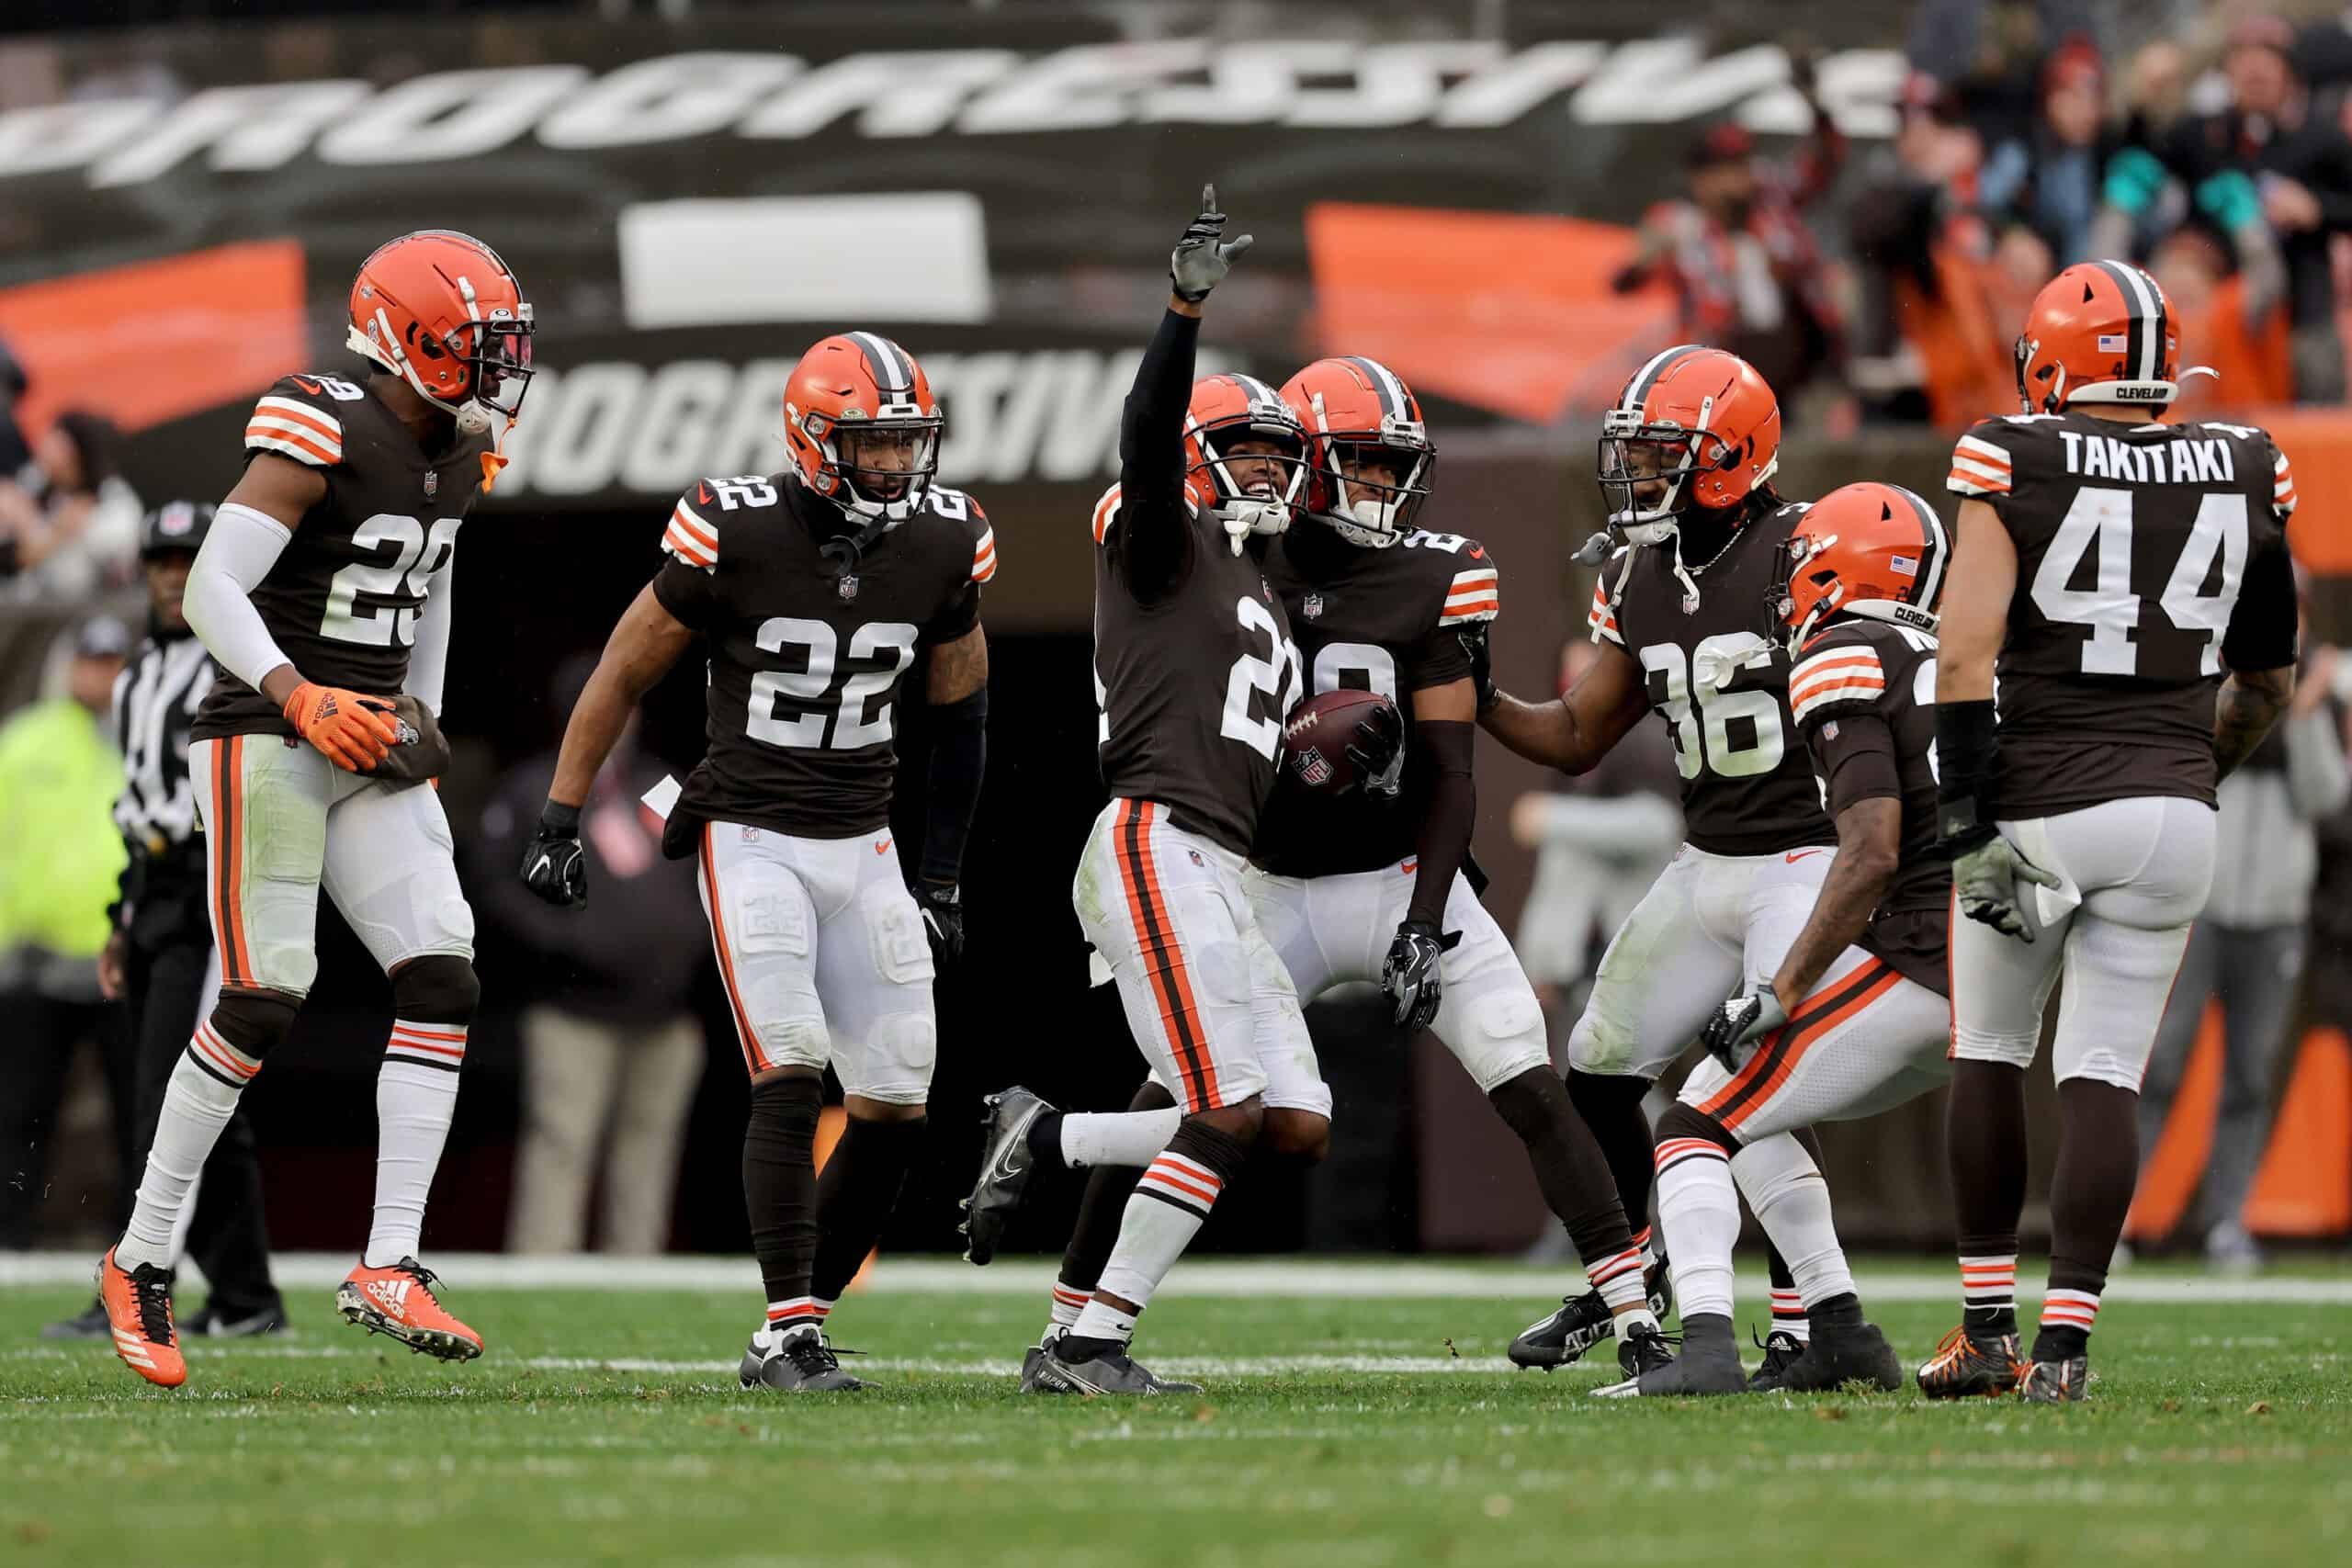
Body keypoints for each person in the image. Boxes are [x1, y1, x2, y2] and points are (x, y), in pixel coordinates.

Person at [963, 355, 1668, 1382]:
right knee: (1189, 1088)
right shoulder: (1225, 550)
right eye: (1367, 467)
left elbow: (1448, 768)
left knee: (1524, 1071)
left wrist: (1427, 916)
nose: (1387, 490)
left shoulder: (1435, 570)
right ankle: (1077, 1316)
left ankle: (1633, 1316)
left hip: (1392, 875)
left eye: (1396, 470)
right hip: (1263, 880)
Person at [518, 328, 993, 1393]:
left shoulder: (945, 538)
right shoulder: (733, 527)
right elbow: (622, 670)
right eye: (870, 446)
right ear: (814, 440)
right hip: (753, 837)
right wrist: (559, 815)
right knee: (787, 1063)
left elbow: (963, 712)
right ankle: (789, 1329)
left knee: (896, 1097)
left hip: (864, 839)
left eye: (906, 443)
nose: (893, 466)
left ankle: (797, 1323)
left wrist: (944, 872)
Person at [96, 230, 533, 1389]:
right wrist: (299, 695)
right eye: (473, 349)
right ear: (402, 336)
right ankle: (140, 1259)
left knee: (443, 970)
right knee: (266, 990)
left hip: (368, 738)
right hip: (265, 733)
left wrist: (421, 712)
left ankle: (390, 1259)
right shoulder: (321, 419)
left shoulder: (461, 445)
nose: (496, 372)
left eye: (501, 349)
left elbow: (426, 580)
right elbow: (209, 588)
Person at [968, 187, 1317, 1398]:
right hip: (1157, 839)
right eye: (1248, 453)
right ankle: (1087, 1338)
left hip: (1224, 862)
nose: (1268, 472)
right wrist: (1184, 309)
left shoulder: (1263, 582)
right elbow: (1143, 437)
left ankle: (1050, 1132)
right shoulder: (1163, 540)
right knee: (1222, 1104)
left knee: (1295, 1116)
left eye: (1283, 455)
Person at [1934, 259, 2301, 1401]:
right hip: (2171, 823)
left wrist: (1962, 816)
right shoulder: (2244, 463)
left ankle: (1986, 1330)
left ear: (2050, 360)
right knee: (2104, 1072)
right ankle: (2065, 1348)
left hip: (2040, 811)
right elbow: (2268, 681)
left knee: (1991, 1048)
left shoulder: (2012, 451)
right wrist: (2194, 769)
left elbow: (1960, 655)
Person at [1473, 346, 1870, 1390]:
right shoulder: (1639, 571)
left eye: (1660, 456)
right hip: (1708, 858)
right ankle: (1626, 1280)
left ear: (1730, 458)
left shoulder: (1805, 549)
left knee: (1761, 1090)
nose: (1637, 476)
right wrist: (1477, 697)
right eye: (1636, 455)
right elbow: (1573, 735)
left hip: (1807, 852)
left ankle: (1799, 1324)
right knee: (1597, 1069)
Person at [1641, 482, 1959, 1398]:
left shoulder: (1840, 653)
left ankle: (1702, 1343)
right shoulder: (1959, 651)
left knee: (1692, 1120)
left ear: (1832, 565)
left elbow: (1869, 853)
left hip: (1921, 954)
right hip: (1993, 957)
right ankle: (1840, 1329)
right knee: (1751, 1106)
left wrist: (1781, 984)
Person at [46, 505, 286, 1338]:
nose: (173, 576)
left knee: (171, 1098)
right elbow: (136, 802)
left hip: (205, 888)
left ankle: (143, 1282)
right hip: (152, 890)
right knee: (185, 1101)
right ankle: (248, 1294)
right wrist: (121, 914)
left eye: (189, 560)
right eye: (160, 561)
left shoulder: (239, 662)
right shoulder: (143, 669)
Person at [476, 656, 707, 1256]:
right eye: (605, 701)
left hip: (666, 1015)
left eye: (627, 703)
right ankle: (541, 1278)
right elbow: (491, 885)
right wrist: (564, 942)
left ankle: (633, 1286)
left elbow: (711, 862)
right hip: (573, 1012)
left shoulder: (659, 786)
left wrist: (696, 940)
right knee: (561, 1149)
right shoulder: (536, 790)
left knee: (648, 1158)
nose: (620, 717)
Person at [2135, 634, 2346, 1271]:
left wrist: (2305, 714)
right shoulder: (2209, 683)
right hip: (2201, 908)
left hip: (2276, 919)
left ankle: (2226, 1222)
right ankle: (2114, 1214)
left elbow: (2325, 800)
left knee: (2250, 1074)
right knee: (2162, 1060)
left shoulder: (2315, 702)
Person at [2108, 15, 2352, 402]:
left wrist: (2316, 209)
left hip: (2298, 296)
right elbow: (2141, 162)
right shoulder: (2202, 134)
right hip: (2217, 290)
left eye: (2268, 61)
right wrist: (2143, 106)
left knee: (2314, 364)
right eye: (2244, 60)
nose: (2255, 71)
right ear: (2229, 72)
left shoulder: (2320, 139)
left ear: (2288, 73)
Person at [0, 615, 130, 1249]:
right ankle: (9, 1235)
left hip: (122, 960)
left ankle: (141, 1246)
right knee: (20, 1110)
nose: (99, 674)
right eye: (90, 660)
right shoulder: (24, 742)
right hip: (34, 958)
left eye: (111, 662)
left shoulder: (144, 737)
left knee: (140, 1111)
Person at [0, 411, 141, 604]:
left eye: (58, 443)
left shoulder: (113, 500)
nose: (44, 446)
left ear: (76, 454)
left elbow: (113, 561)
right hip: (25, 610)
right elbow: (12, 556)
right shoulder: (32, 482)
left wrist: (57, 532)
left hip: (89, 607)